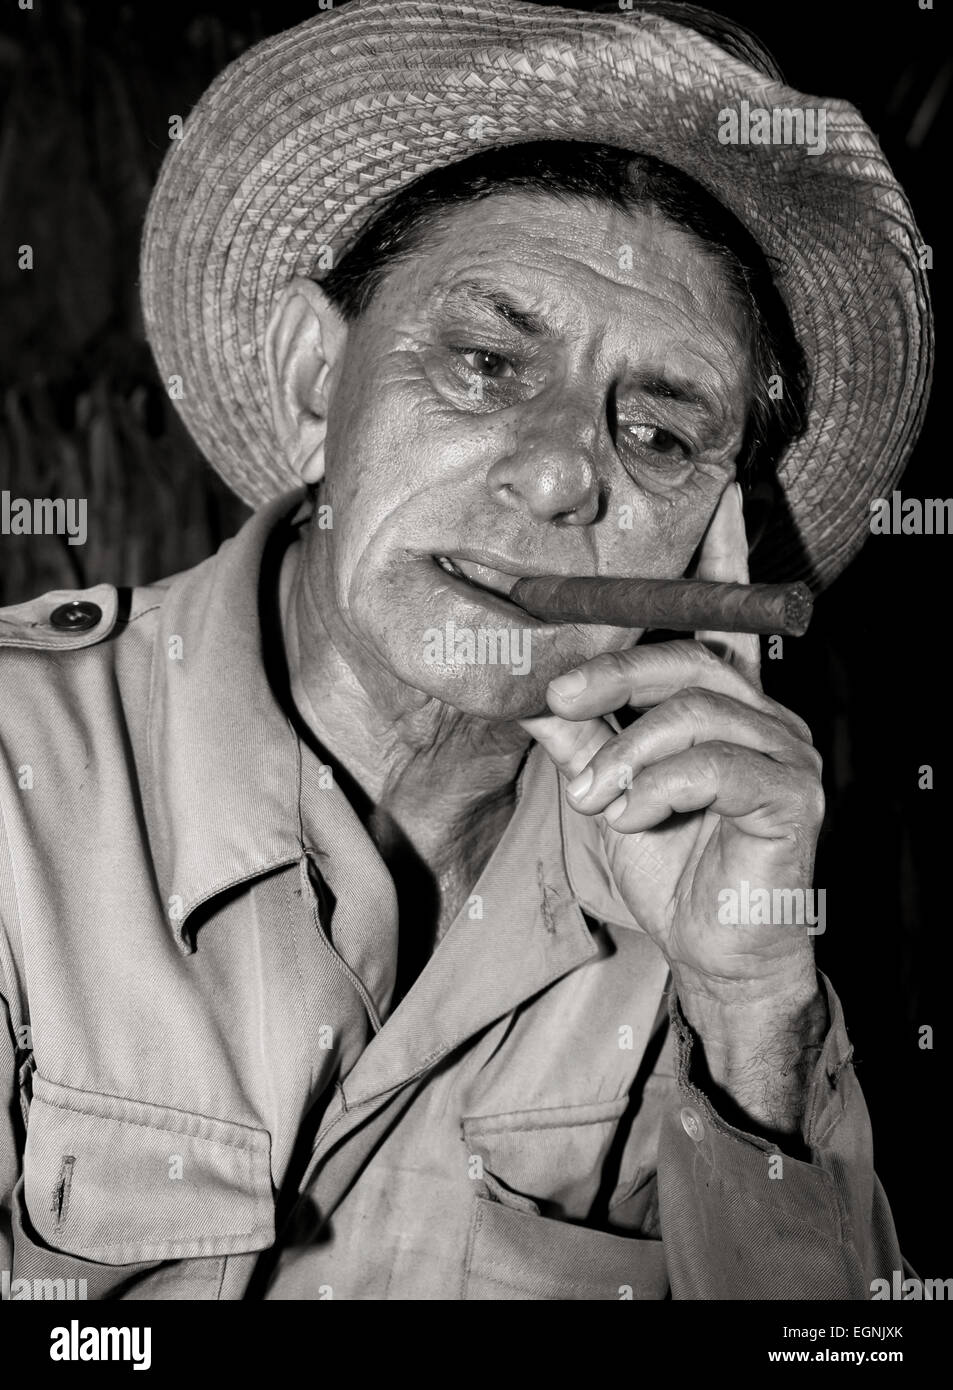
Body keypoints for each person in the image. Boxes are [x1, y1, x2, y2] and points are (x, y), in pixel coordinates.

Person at [0, 0, 932, 1300]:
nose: (562, 473)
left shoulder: (699, 886)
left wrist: (748, 1014)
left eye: (658, 436)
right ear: (317, 381)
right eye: (488, 363)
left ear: (705, 548)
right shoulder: (20, 779)